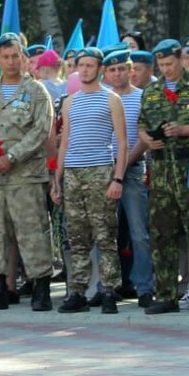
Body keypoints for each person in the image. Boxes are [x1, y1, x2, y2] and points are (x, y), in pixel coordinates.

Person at [0, 33, 55, 312]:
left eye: (15, 56)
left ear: (24, 58)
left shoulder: (36, 92)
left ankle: (40, 287)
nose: (10, 61)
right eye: (5, 57)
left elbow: (41, 129)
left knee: (32, 232)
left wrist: (12, 156)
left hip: (25, 174)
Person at [138, 39, 189, 315]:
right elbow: (141, 124)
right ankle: (165, 294)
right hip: (161, 170)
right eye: (161, 65)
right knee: (161, 234)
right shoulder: (151, 91)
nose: (166, 69)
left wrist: (184, 130)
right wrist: (148, 141)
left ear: (181, 60)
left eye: (170, 64)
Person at [52, 48, 128, 314]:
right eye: (80, 65)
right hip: (73, 173)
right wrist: (57, 179)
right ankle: (78, 292)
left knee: (105, 235)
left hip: (100, 171)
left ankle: (109, 291)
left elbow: (121, 141)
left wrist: (117, 178)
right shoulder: (70, 101)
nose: (84, 70)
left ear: (100, 69)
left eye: (89, 65)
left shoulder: (111, 99)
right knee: (77, 237)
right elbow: (64, 144)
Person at [101, 48, 153, 307]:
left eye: (122, 68)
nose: (117, 73)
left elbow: (145, 138)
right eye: (112, 70)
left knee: (139, 232)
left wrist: (121, 167)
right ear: (105, 73)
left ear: (130, 70)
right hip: (103, 170)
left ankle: (145, 287)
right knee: (104, 232)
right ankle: (108, 286)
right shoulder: (101, 98)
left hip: (132, 170)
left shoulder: (143, 97)